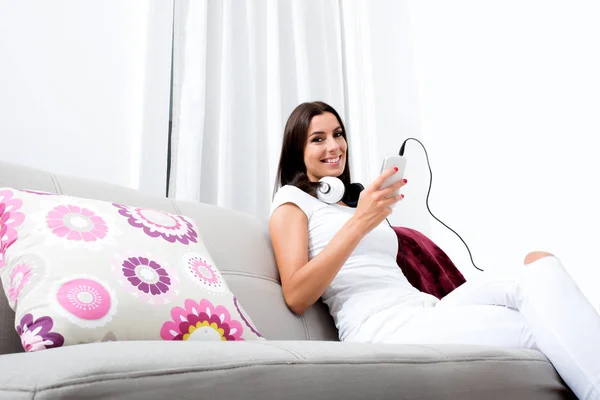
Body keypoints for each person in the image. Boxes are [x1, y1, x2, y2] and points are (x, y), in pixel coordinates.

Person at [269, 101, 600, 400]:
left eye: (338, 134)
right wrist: (360, 224)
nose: (334, 146)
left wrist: (362, 216)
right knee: (543, 325)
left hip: (424, 309)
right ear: (298, 149)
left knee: (539, 266)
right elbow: (297, 295)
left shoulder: (351, 202)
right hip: (381, 328)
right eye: (318, 138)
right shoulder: (292, 203)